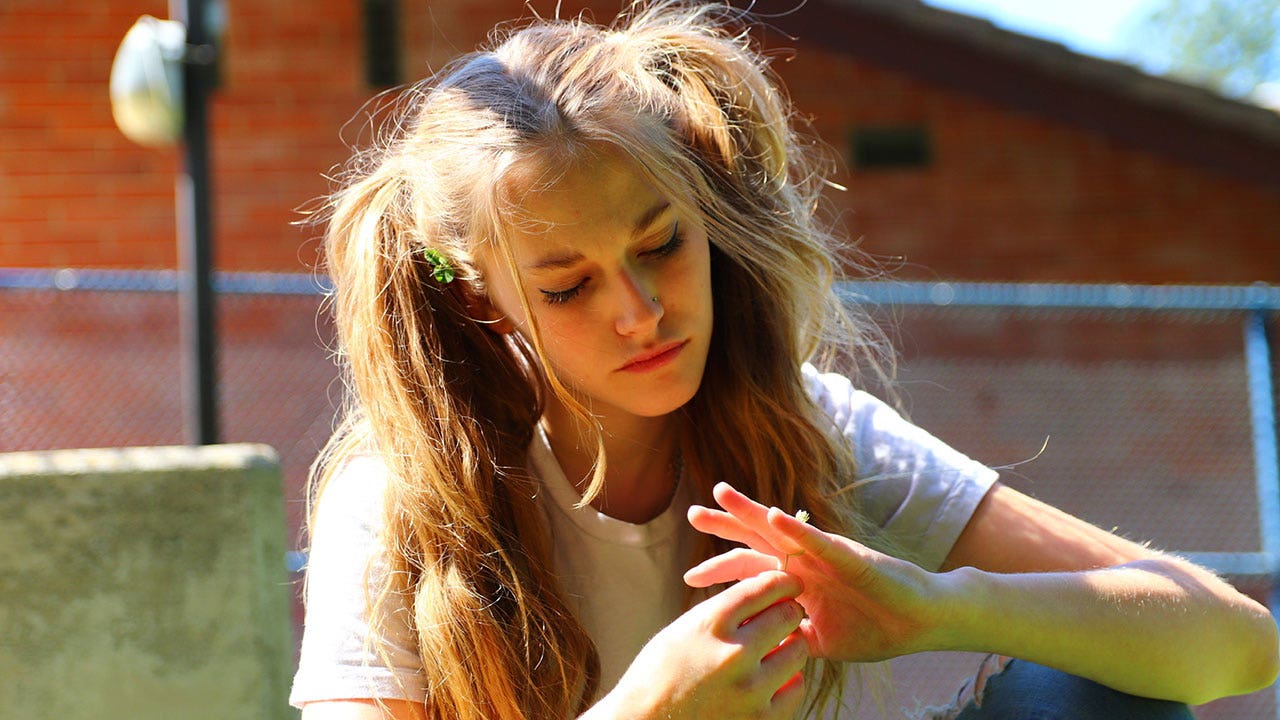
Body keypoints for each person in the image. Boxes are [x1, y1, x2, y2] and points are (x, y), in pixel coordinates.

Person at [289, 2, 1279, 718]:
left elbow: (1237, 644)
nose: (639, 313)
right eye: (566, 286)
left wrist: (940, 609)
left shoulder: (809, 422)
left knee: (1094, 687)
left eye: (660, 245)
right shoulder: (398, 496)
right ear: (478, 295)